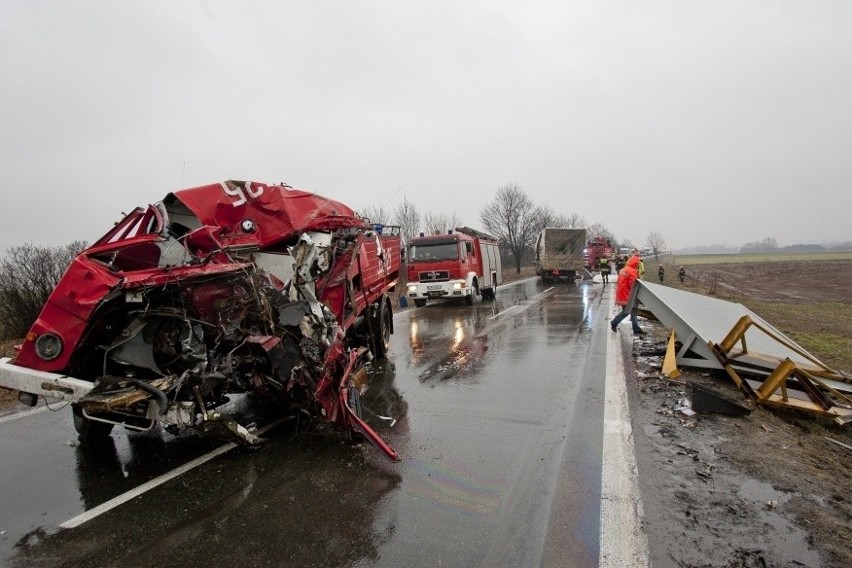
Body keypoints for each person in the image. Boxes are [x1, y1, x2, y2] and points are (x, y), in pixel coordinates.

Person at [611, 254, 645, 334]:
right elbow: (633, 285)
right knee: (627, 311)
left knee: (633, 311)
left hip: (621, 293)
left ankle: (636, 328)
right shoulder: (632, 271)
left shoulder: (623, 269)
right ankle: (614, 322)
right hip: (627, 295)